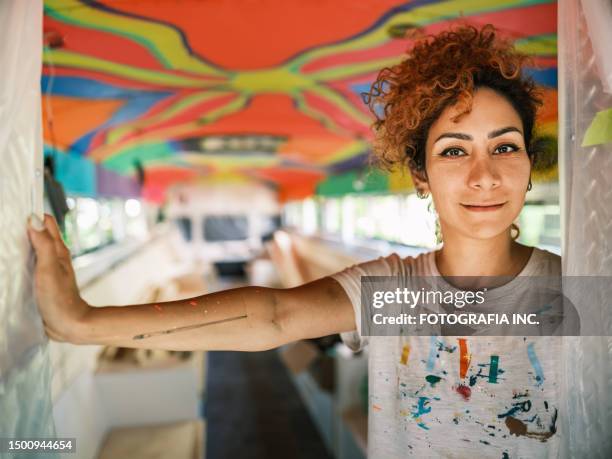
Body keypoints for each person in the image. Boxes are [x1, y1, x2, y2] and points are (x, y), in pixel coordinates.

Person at [28, 25, 562, 458]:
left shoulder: (574, 291)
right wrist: (81, 321)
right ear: (420, 175)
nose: (484, 175)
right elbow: (274, 315)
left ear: (528, 164)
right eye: (453, 151)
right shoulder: (397, 291)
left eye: (505, 147)